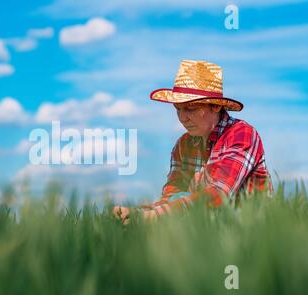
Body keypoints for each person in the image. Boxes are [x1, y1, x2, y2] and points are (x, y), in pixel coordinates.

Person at [114, 59, 273, 224]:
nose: (182, 118)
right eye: (178, 109)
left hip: (249, 227)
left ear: (216, 106)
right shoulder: (183, 145)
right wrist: (138, 213)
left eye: (190, 108)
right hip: (207, 226)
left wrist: (153, 217)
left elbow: (219, 194)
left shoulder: (242, 134)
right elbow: (172, 198)